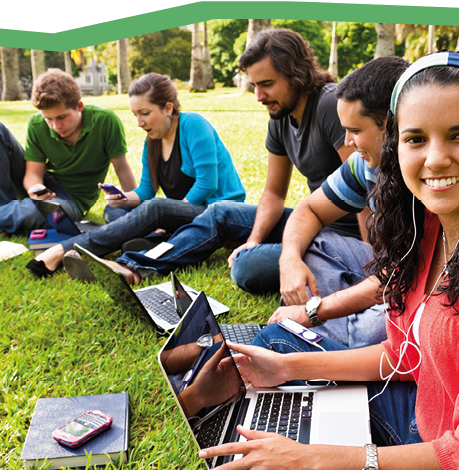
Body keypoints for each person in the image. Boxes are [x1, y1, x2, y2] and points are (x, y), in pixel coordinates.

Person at [198, 49, 459, 470]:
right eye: (416, 139)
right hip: (421, 419)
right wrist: (287, 368)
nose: (435, 159)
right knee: (277, 342)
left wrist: (308, 457)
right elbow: (406, 356)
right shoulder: (428, 224)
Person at [107, 29, 360, 294]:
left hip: (346, 237)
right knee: (220, 214)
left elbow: (360, 188)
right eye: (254, 86)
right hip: (312, 222)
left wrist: (295, 246)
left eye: (267, 84)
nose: (259, 96)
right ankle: (135, 266)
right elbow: (274, 193)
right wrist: (254, 239)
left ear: (296, 73)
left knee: (247, 267)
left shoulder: (330, 105)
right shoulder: (280, 116)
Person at [26, 73, 245, 279]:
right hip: (187, 214)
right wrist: (124, 198)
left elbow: (207, 183)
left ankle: (62, 250)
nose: (139, 122)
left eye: (145, 113)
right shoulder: (152, 141)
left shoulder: (193, 124)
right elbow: (146, 190)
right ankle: (153, 241)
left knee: (157, 208)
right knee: (115, 210)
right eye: (135, 115)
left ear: (168, 108)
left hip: (218, 210)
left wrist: (172, 213)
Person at [257, 55, 409, 348]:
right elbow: (309, 209)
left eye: (355, 130)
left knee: (372, 331)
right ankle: (342, 328)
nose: (348, 141)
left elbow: (405, 274)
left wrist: (314, 311)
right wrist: (289, 260)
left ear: (389, 125)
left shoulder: (423, 175)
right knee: (314, 243)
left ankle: (332, 334)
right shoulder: (364, 165)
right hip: (385, 274)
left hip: (409, 281)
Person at [0, 68, 137, 235]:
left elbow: (122, 168)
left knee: (34, 213)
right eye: (48, 118)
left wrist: (138, 204)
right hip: (45, 186)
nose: (55, 126)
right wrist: (35, 189)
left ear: (78, 106)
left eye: (61, 118)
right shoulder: (37, 124)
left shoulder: (105, 121)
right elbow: (32, 174)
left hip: (72, 201)